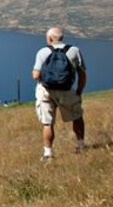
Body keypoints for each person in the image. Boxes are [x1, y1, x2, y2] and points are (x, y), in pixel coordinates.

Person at [31, 27, 87, 162]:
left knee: (48, 123)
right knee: (77, 117)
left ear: (50, 39)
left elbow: (36, 75)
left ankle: (48, 153)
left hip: (46, 91)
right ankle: (81, 145)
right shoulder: (74, 51)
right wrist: (79, 91)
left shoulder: (43, 52)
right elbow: (82, 74)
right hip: (67, 90)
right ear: (61, 38)